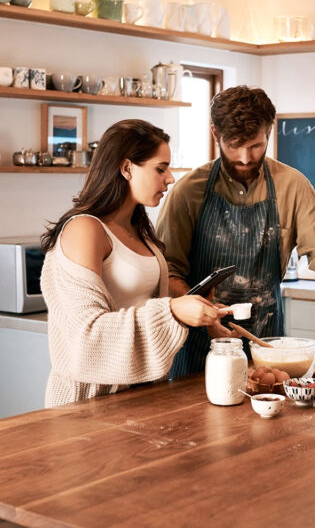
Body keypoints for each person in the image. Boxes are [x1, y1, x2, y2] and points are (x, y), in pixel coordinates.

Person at [156, 85, 315, 378]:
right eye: (234, 146)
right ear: (215, 134)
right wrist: (205, 315)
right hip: (197, 347)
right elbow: (167, 272)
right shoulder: (187, 192)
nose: (245, 158)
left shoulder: (292, 186)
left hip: (267, 348)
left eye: (256, 146)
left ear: (269, 131)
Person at [39, 119, 228, 406]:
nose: (171, 178)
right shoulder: (85, 230)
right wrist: (174, 311)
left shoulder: (140, 231)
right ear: (127, 168)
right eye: (160, 168)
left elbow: (138, 299)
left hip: (142, 395)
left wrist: (198, 309)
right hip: (87, 403)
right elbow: (85, 339)